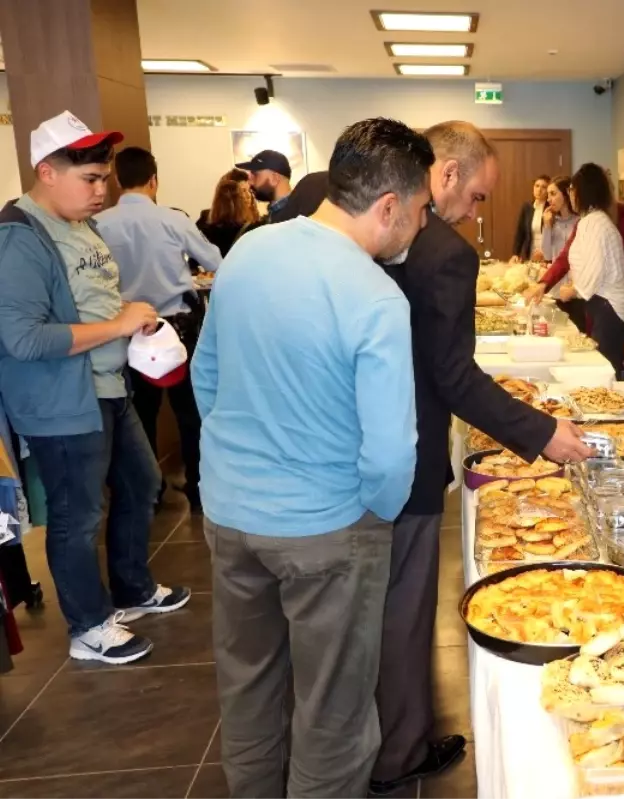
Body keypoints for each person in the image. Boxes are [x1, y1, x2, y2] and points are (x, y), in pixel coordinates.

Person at [194, 118, 427, 798]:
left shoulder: (247, 253)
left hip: (232, 516)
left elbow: (207, 379)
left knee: (248, 687)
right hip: (328, 527)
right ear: (388, 207)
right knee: (333, 712)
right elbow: (389, 453)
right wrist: (372, 516)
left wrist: (244, 463)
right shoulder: (377, 294)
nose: (413, 233)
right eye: (415, 217)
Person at [372, 120, 592, 796]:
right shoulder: (442, 250)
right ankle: (399, 749)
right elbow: (453, 375)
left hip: (358, 449)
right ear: (443, 175)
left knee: (378, 607)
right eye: (475, 197)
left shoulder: (351, 225)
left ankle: (379, 733)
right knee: (405, 609)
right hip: (404, 452)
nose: (476, 213)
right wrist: (542, 432)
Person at [0, 111, 191, 665]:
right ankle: (88, 626)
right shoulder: (19, 237)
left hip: (107, 386)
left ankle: (130, 589)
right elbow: (25, 340)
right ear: (47, 171)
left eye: (104, 177)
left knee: (142, 482)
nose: (102, 189)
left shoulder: (81, 224)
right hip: (61, 403)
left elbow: (95, 297)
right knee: (77, 515)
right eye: (90, 179)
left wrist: (135, 322)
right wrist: (119, 325)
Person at [95, 146, 222, 512]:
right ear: (154, 180)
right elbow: (216, 261)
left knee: (140, 416)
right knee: (190, 414)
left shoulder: (99, 225)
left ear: (117, 180)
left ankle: (149, 491)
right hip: (177, 329)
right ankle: (199, 488)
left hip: (128, 332)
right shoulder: (174, 219)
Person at [558, 163, 624, 374]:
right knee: (605, 367)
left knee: (604, 371)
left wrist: (573, 290)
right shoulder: (596, 220)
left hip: (610, 307)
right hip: (609, 306)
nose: (571, 196)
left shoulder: (593, 222)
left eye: (572, 191)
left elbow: (594, 270)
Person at [198, 172, 259, 255]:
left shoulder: (255, 220)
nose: (248, 196)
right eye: (242, 191)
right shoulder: (207, 221)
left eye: (249, 191)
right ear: (229, 194)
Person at [235, 149, 293, 220]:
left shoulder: (298, 215)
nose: (250, 182)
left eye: (255, 175)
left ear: (274, 178)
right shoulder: (278, 213)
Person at [511, 173, 550, 261]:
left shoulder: (551, 209)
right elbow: (520, 232)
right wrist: (515, 253)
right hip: (531, 252)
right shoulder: (527, 207)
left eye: (543, 187)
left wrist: (545, 252)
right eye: (537, 186)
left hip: (547, 253)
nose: (539, 190)